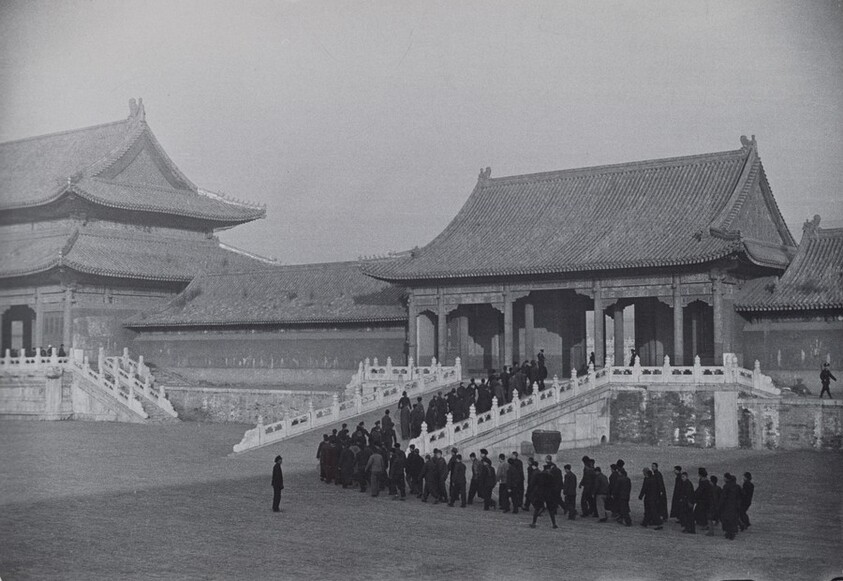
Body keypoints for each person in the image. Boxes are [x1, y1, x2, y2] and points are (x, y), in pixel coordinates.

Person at [529, 463, 559, 529]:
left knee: (537, 509)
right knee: (551, 510)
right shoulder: (551, 476)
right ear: (548, 469)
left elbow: (533, 484)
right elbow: (553, 486)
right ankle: (554, 524)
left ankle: (533, 523)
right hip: (548, 494)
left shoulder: (538, 475)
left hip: (539, 494)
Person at [719, 473, 743, 540]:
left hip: (727, 506)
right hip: (735, 506)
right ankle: (732, 532)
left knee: (726, 519)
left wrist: (720, 505)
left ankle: (728, 532)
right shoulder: (737, 486)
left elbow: (723, 497)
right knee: (733, 519)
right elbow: (742, 495)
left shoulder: (726, 486)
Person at [694, 468, 713, 533]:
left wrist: (695, 495)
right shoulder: (706, 481)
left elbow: (700, 490)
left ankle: (704, 524)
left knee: (701, 511)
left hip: (703, 499)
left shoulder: (704, 482)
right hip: (705, 499)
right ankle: (704, 524)